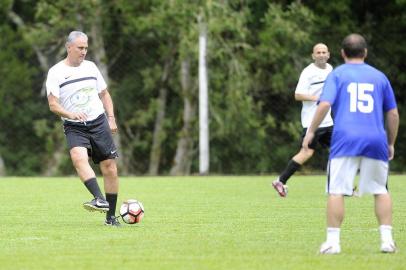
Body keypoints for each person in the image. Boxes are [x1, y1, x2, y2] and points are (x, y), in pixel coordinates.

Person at [303, 33, 399, 254]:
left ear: (342, 53)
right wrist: (390, 143)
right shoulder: (379, 77)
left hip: (345, 139)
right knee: (380, 190)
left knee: (336, 190)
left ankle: (333, 243)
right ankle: (387, 241)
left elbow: (324, 104)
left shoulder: (337, 74)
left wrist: (311, 131)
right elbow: (392, 114)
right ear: (364, 52)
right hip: (375, 139)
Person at [46, 31, 121, 226]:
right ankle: (99, 198)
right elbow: (53, 105)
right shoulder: (56, 72)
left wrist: (111, 118)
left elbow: (104, 94)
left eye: (86, 48)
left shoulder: (91, 67)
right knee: (78, 159)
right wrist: (70, 115)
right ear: (68, 47)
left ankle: (111, 218)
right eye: (80, 48)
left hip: (98, 122)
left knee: (110, 168)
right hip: (74, 126)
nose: (84, 51)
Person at [272, 43, 333, 197]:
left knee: (339, 151)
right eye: (318, 52)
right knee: (306, 152)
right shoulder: (308, 72)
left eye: (323, 52)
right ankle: (281, 180)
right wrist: (317, 98)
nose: (321, 54)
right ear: (313, 56)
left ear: (328, 54)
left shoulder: (331, 69)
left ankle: (338, 186)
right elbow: (298, 95)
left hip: (328, 121)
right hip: (312, 122)